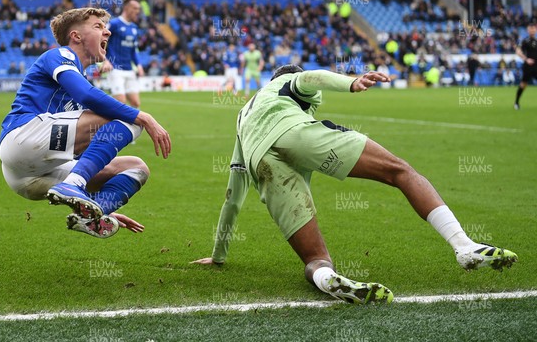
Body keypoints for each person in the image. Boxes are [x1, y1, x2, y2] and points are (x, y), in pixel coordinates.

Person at [192, 64, 517, 304]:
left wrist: (218, 255)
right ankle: (464, 246)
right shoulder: (286, 82)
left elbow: (233, 197)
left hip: (260, 162)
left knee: (315, 260)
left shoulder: (242, 118)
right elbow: (310, 77)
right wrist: (352, 82)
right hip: (296, 133)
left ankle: (327, 277)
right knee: (400, 171)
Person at [0, 7, 171, 239]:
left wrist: (94, 204)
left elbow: (84, 154)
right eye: (98, 27)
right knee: (127, 117)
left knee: (136, 168)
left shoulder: (78, 80)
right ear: (76, 36)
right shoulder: (60, 55)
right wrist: (144, 117)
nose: (107, 32)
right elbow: (87, 96)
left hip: (28, 177)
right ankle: (73, 184)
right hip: (23, 138)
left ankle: (93, 213)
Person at [100, 0, 145, 108]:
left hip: (129, 69)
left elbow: (133, 49)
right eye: (135, 8)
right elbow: (100, 41)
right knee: (121, 101)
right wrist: (105, 61)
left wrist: (138, 65)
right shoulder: (115, 24)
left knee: (135, 103)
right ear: (126, 8)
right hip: (115, 68)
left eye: (138, 9)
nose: (137, 11)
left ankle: (131, 125)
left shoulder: (134, 28)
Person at [514, 23, 537, 110]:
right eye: (530, 29)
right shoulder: (524, 41)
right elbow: (518, 51)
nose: (532, 30)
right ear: (528, 30)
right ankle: (516, 102)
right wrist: (526, 59)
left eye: (533, 29)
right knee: (524, 84)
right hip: (528, 66)